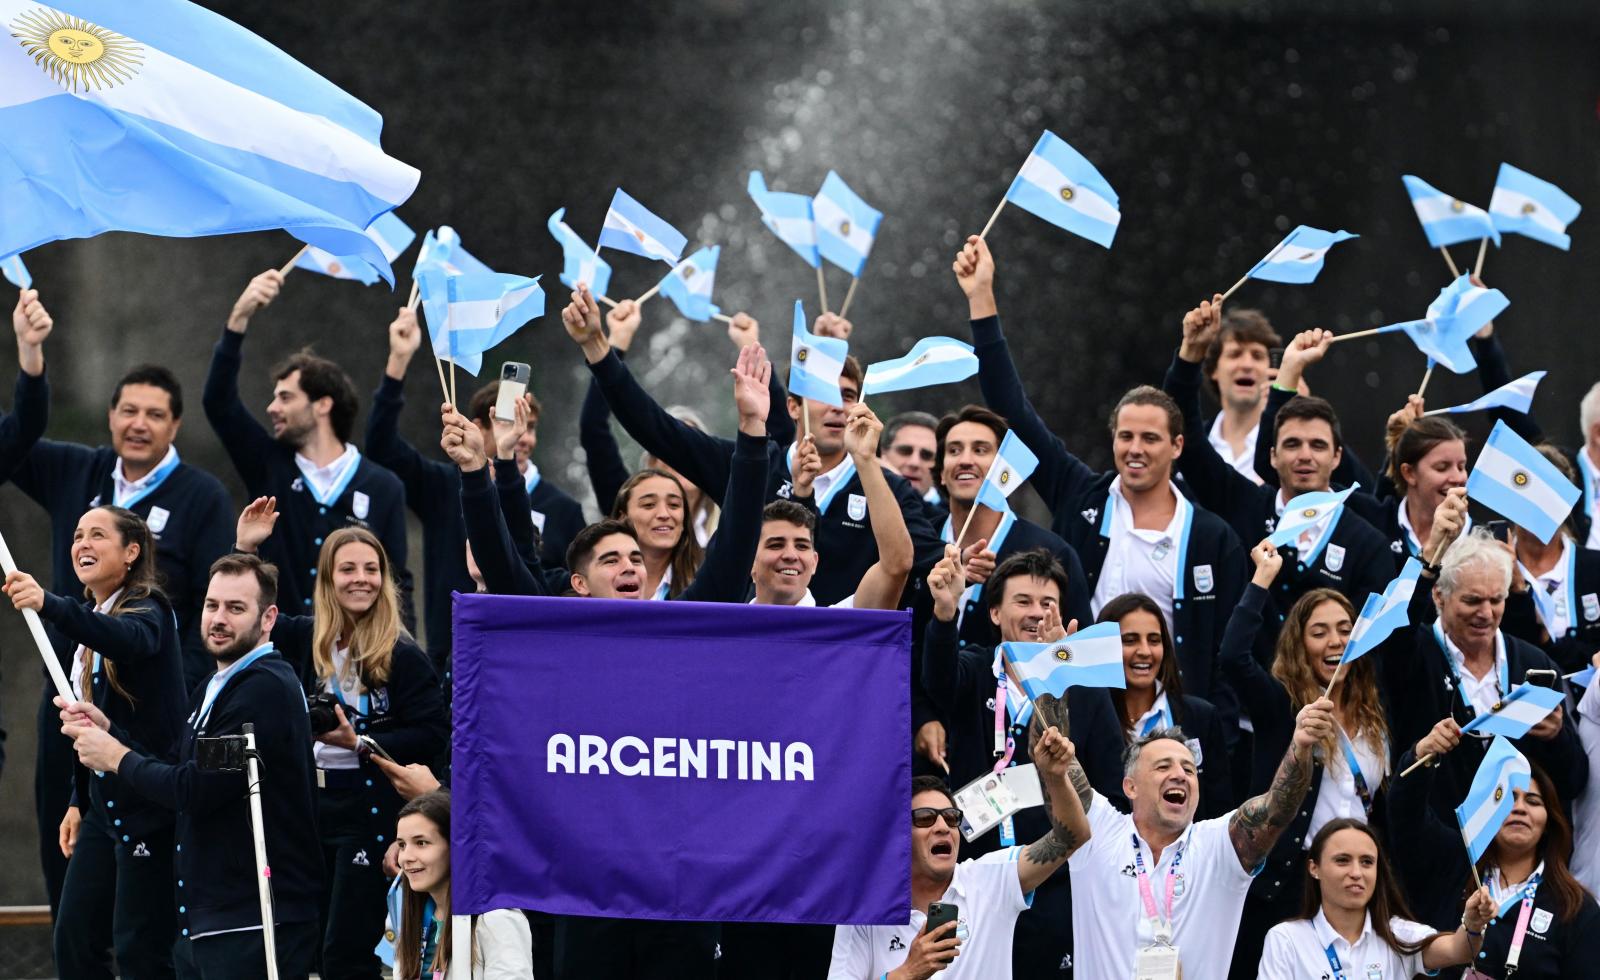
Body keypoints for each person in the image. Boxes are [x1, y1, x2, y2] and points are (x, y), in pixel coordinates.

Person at [2, 292, 233, 912]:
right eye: (128, 409)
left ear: (175, 425)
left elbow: (216, 606)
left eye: (155, 414)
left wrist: (180, 692)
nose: (139, 423)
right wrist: (30, 354)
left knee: (143, 880)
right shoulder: (75, 469)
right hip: (70, 694)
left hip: (149, 709)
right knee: (67, 854)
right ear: (109, 416)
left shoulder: (201, 496)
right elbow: (17, 437)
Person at [954, 236, 1245, 710]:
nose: (1134, 449)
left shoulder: (1211, 537)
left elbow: (1228, 659)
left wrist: (1214, 739)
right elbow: (1012, 408)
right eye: (1125, 436)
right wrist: (981, 297)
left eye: (1150, 439)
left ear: (1177, 446)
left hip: (1170, 727)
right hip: (1083, 711)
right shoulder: (1079, 495)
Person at [566, 284, 942, 606]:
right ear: (793, 406)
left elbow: (919, 563)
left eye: (847, 395)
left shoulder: (888, 491)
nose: (835, 406)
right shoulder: (747, 464)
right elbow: (654, 427)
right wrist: (600, 348)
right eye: (823, 391)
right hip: (748, 651)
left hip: (837, 668)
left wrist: (965, 564)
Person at [57, 553, 322, 980]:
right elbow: (179, 766)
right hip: (208, 917)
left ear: (269, 617)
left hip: (254, 919)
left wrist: (115, 757)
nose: (219, 619)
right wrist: (113, 732)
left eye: (236, 609)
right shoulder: (214, 688)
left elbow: (197, 790)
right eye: (212, 605)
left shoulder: (262, 690)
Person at [235, 504, 448, 980]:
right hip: (307, 806)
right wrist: (246, 549)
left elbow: (434, 734)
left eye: (372, 569)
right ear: (328, 579)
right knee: (299, 944)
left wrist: (361, 741)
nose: (361, 579)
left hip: (367, 811)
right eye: (347, 569)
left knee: (345, 954)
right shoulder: (302, 637)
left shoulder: (403, 654)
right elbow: (243, 623)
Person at [1377, 507, 1589, 922]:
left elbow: (1573, 779)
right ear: (1439, 596)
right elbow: (1397, 625)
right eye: (1472, 600)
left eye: (1497, 600)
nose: (1486, 613)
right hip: (1434, 859)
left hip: (1517, 868)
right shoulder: (1414, 652)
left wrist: (1556, 738)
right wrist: (1430, 554)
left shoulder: (1533, 663)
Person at [922, 547, 1127, 974]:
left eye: (1047, 603)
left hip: (1055, 877)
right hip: (975, 875)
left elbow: (1110, 776)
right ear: (995, 613)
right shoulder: (974, 669)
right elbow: (936, 680)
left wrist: (1054, 676)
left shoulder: (1081, 687)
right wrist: (944, 613)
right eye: (1023, 601)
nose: (1037, 613)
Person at [4, 506, 185, 978]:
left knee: (140, 953)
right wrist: (77, 801)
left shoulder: (149, 609)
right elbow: (86, 726)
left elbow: (128, 640)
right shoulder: (86, 621)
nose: (82, 542)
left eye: (97, 535)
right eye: (78, 533)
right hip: (103, 811)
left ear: (131, 552)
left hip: (150, 809)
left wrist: (50, 604)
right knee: (75, 944)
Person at [453, 343, 772, 607]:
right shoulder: (560, 619)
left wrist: (752, 429)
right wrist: (479, 470)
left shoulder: (682, 614)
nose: (630, 568)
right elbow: (509, 563)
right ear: (579, 582)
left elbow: (738, 534)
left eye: (636, 559)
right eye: (611, 560)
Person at [1221, 542, 1397, 977]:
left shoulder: (1377, 710)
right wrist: (1263, 578)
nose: (1335, 640)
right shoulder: (1281, 706)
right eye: (1319, 632)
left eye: (1344, 629)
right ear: (1300, 644)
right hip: (1291, 878)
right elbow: (1233, 658)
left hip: (1356, 877)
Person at [1064, 700, 1335, 980]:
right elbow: (1057, 764)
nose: (1180, 775)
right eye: (1162, 767)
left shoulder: (1219, 845)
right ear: (1130, 786)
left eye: (1189, 769)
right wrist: (1048, 674)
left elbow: (1276, 808)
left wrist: (1300, 746)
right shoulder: (1099, 831)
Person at [367, 305, 577, 664]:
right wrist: (398, 362)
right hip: (449, 656)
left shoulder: (563, 509)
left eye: (530, 427)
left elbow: (573, 587)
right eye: (510, 422)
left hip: (530, 657)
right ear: (477, 426)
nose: (521, 437)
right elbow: (380, 448)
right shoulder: (442, 486)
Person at [1166, 319, 1392, 650]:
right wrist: (1189, 357)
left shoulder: (1367, 540)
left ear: (1337, 456)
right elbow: (1189, 439)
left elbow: (1374, 651)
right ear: (1270, 457)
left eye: (1317, 446)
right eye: (1291, 445)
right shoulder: (1244, 505)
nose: (1304, 456)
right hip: (1253, 693)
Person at [205, 269, 413, 622]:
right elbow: (219, 403)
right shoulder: (269, 464)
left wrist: (401, 662)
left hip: (354, 659)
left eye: (286, 398)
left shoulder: (382, 486)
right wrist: (238, 318)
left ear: (323, 404)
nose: (272, 408)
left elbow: (396, 583)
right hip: (280, 657)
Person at [825, 727, 1092, 980]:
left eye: (951, 818)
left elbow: (1072, 837)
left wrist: (1055, 778)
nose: (943, 827)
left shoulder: (990, 879)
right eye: (926, 818)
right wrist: (908, 972)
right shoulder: (864, 913)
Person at [1390, 736, 1600, 976]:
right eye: (1508, 798)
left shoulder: (1575, 906)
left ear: (1549, 821)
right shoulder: (1455, 862)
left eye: (1533, 801)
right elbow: (1405, 818)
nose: (1519, 808)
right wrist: (1420, 757)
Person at [578, 299, 774, 536]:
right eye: (673, 446)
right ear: (652, 463)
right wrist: (613, 343)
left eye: (693, 446)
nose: (682, 457)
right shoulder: (627, 510)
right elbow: (593, 429)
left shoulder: (731, 529)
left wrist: (752, 351)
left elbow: (776, 443)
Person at [929, 404, 1092, 649]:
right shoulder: (920, 541)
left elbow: (1083, 656)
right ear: (941, 472)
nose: (965, 460)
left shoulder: (1054, 552)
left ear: (1002, 468)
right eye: (954, 450)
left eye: (980, 450)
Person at [1257, 818, 1495, 979]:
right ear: (1314, 868)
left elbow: (1458, 949)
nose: (1356, 873)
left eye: (1367, 862)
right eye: (1342, 860)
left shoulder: (1397, 934)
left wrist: (1473, 924)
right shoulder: (1286, 939)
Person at [750, 403, 912, 610]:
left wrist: (865, 459)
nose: (791, 555)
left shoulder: (839, 621)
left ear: (814, 561)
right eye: (775, 545)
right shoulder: (725, 626)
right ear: (751, 563)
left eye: (802, 546)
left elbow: (896, 565)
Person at [1097, 592, 1233, 819]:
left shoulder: (1201, 716)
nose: (1145, 651)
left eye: (1154, 640)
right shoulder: (1090, 719)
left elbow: (1219, 814)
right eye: (1129, 640)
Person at [392, 790, 534, 980]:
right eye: (402, 845)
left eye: (421, 843)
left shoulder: (497, 918)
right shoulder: (409, 912)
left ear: (456, 846)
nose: (406, 857)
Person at [1498, 447, 1600, 673]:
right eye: (1531, 494)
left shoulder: (1594, 567)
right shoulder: (1492, 571)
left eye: (1551, 496)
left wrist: (1547, 641)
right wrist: (1516, 591)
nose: (1540, 506)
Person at [1197, 306, 1281, 485]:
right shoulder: (1190, 444)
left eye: (1257, 356)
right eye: (1235, 354)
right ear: (1213, 369)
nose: (1247, 365)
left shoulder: (1288, 444)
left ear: (1272, 370)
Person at [609, 467, 702, 600]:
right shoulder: (596, 579)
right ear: (623, 518)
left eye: (674, 505)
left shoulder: (705, 579)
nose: (664, 514)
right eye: (649, 505)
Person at [880, 411, 943, 507]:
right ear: (883, 454)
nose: (914, 463)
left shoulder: (950, 517)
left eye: (926, 455)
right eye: (905, 451)